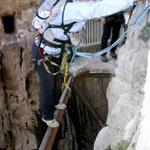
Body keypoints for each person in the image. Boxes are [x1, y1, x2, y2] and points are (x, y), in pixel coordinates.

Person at [31, 0, 138, 128]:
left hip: (55, 49)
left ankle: (54, 103)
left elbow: (61, 27)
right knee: (47, 85)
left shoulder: (69, 4)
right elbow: (97, 9)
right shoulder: (72, 8)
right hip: (43, 52)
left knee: (55, 79)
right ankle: (47, 116)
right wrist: (130, 1)